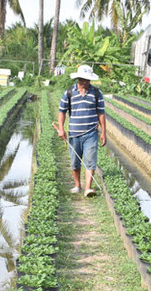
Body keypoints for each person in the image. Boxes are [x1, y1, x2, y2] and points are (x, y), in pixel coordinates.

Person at [56, 64, 106, 197]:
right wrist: (61, 129)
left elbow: (101, 113)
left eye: (87, 80)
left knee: (90, 161)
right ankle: (77, 185)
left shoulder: (97, 93)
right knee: (75, 162)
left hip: (91, 133)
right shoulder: (68, 93)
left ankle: (88, 188)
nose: (85, 82)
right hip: (74, 133)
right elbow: (62, 112)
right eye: (82, 79)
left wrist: (103, 132)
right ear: (78, 79)